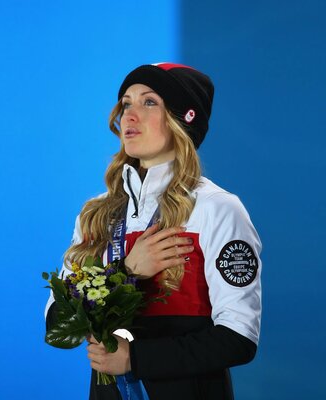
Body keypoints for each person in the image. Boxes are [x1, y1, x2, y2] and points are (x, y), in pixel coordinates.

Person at [44, 62, 262, 400]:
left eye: (149, 102)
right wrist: (128, 270)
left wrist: (134, 359)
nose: (129, 115)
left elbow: (239, 338)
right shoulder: (96, 214)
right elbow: (57, 327)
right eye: (126, 103)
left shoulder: (217, 208)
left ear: (182, 120)